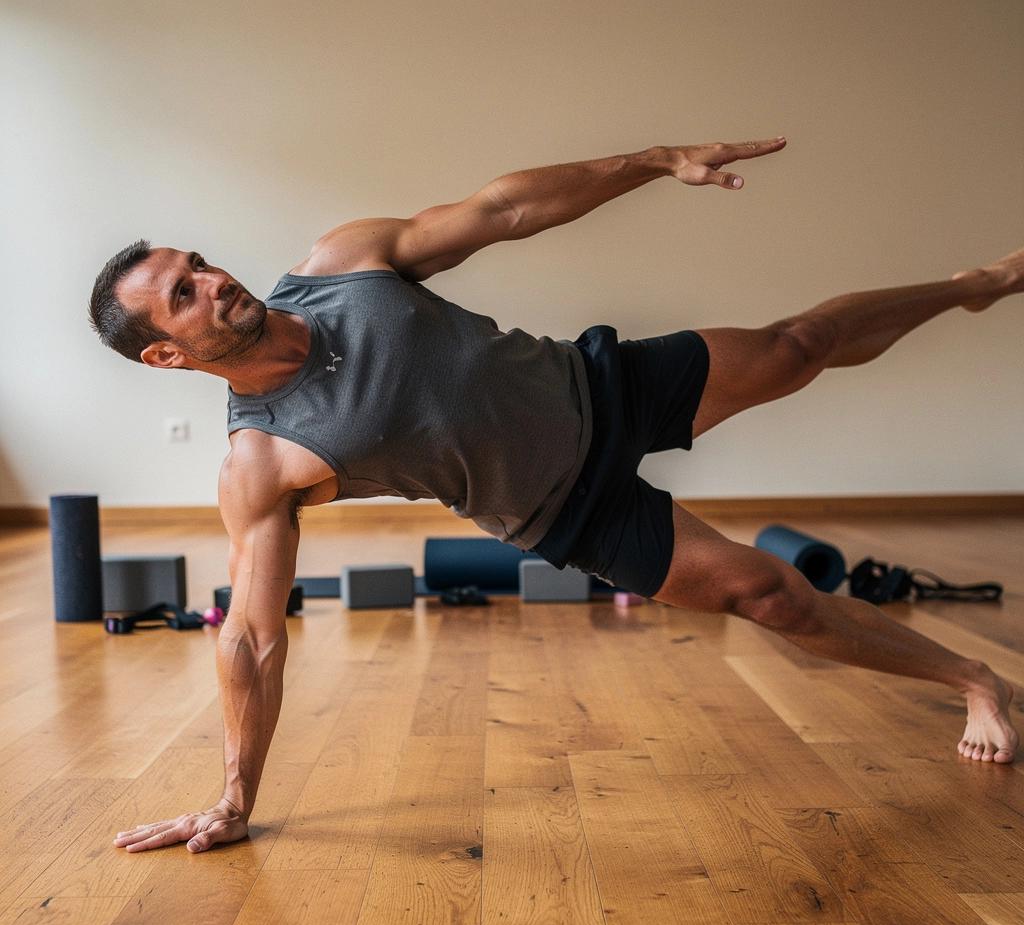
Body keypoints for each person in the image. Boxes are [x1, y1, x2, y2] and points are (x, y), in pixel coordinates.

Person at [88, 137, 1020, 855]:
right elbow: (251, 637)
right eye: (183, 294)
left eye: (199, 263)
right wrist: (233, 799)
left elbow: (503, 209)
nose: (213, 281)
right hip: (566, 511)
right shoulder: (260, 461)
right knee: (770, 596)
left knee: (799, 344)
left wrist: (655, 162)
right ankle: (979, 682)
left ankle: (969, 288)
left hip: (596, 385)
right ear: (166, 353)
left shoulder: (342, 264)